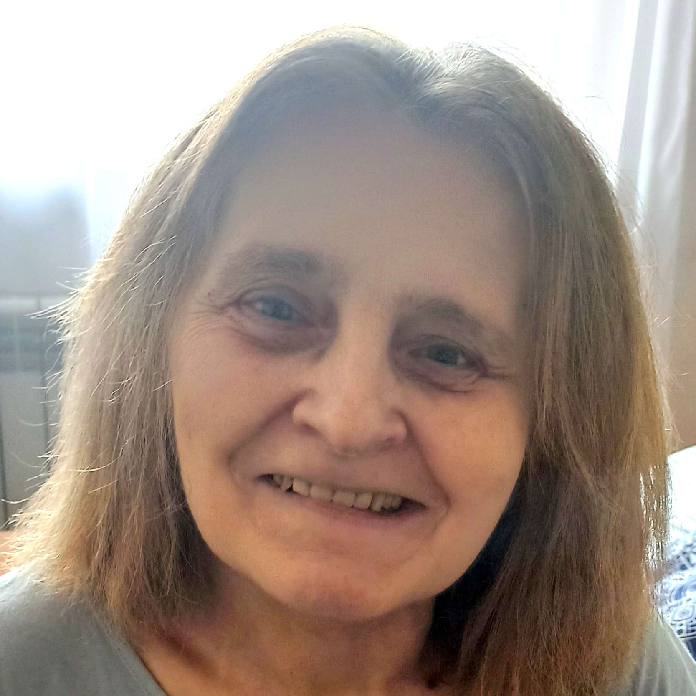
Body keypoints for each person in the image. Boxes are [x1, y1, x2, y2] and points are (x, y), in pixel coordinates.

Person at [1, 25, 695, 696]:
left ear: (556, 422)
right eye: (275, 308)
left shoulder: (619, 671)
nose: (347, 421)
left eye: (447, 353)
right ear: (152, 336)